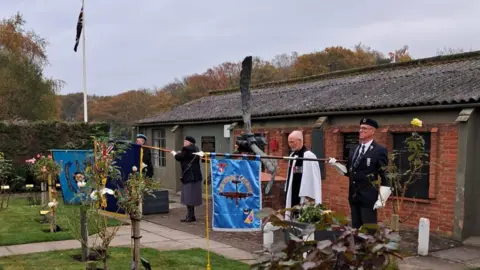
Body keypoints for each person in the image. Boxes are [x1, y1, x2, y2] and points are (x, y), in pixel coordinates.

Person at [328, 118, 392, 229]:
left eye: (364, 128)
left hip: (369, 197)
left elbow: (385, 175)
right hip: (354, 196)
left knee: (368, 230)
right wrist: (336, 165)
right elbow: (349, 171)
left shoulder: (379, 150)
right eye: (360, 128)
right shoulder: (354, 149)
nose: (361, 130)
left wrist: (382, 199)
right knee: (355, 229)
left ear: (372, 131)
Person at [284, 130, 322, 220]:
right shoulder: (293, 155)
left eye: (292, 142)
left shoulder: (309, 156)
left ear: (300, 141)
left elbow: (314, 178)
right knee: (292, 215)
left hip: (304, 195)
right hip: (293, 191)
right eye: (289, 142)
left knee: (302, 218)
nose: (290, 144)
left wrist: (310, 195)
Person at [171, 136, 203, 222]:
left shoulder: (187, 148)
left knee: (188, 197)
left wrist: (174, 153)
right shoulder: (196, 149)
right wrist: (180, 153)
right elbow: (186, 156)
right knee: (191, 197)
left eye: (186, 141)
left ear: (190, 142)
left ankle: (190, 216)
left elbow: (179, 157)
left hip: (189, 176)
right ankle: (191, 215)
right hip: (196, 176)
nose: (184, 143)